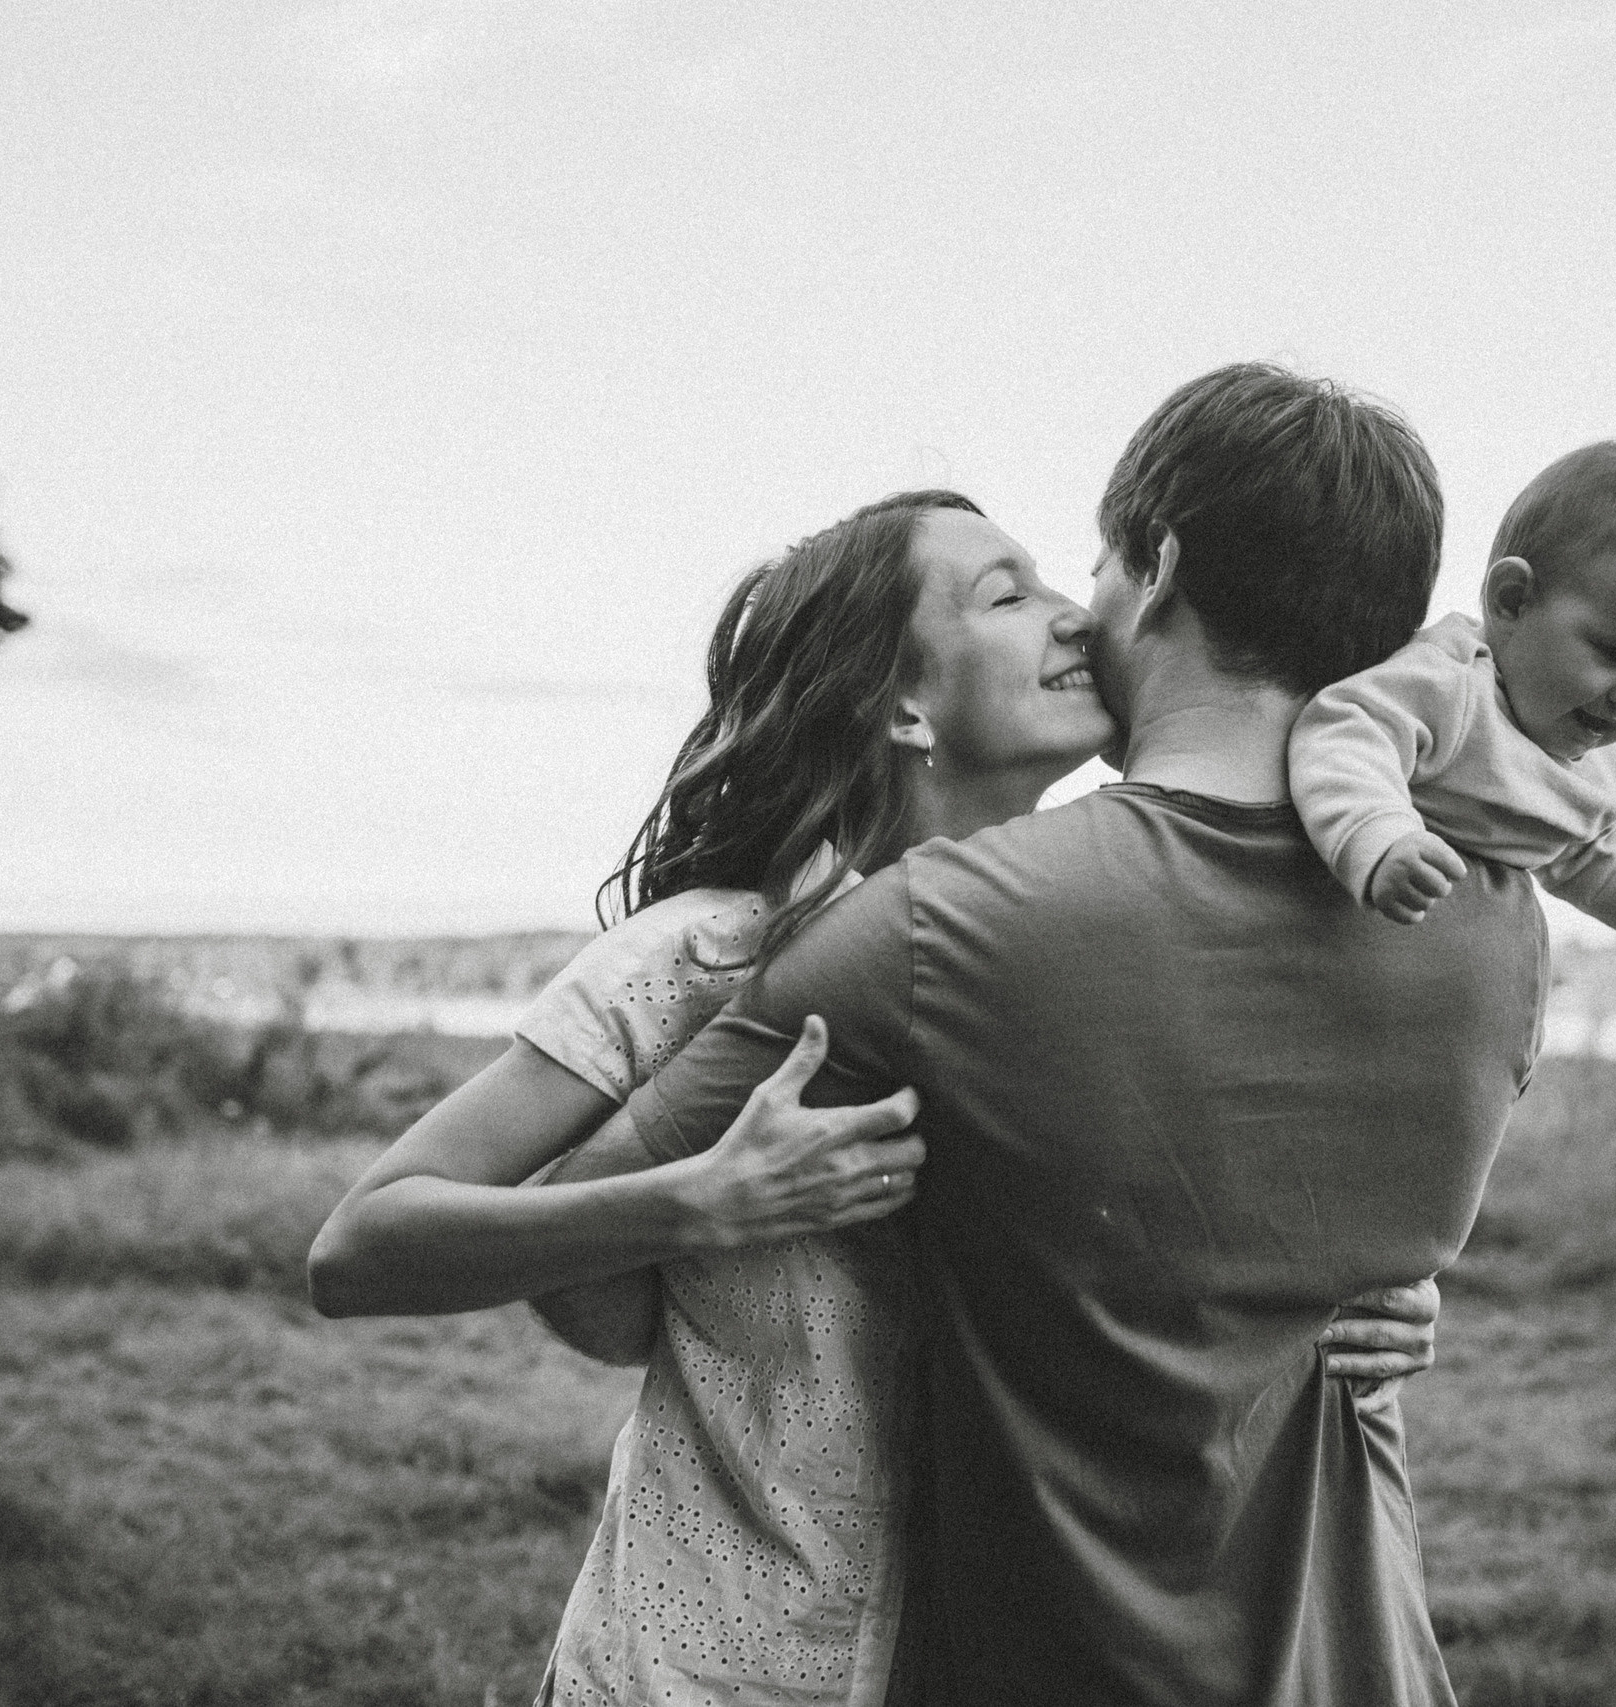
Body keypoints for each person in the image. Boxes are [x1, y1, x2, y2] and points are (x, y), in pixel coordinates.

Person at [305, 489, 1442, 1707]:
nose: (1075, 618)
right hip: (712, 1671)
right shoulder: (701, 962)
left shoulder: (1088, 968)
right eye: (1006, 596)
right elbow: (362, 1249)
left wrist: (1370, 1287)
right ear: (897, 704)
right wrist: (699, 1200)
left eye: (1057, 582)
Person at [566, 363, 1539, 1705]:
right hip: (1369, 1657)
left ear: (1166, 564)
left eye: (1091, 564)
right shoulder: (1501, 926)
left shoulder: (938, 931)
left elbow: (590, 1224)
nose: (1083, 607)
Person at [1287, 440, 1616, 993]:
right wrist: (1381, 839)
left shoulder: (1604, 755)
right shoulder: (1450, 684)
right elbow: (1342, 735)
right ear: (1512, 602)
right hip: (1357, 976)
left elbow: (1585, 849)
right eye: (1614, 654)